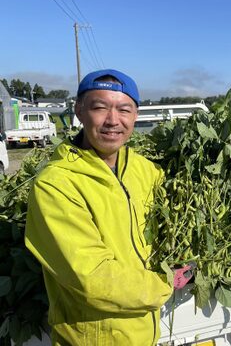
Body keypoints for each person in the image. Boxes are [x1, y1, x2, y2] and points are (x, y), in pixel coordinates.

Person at [25, 69, 189, 345]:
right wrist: (166, 283)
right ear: (79, 111)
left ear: (136, 115)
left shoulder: (145, 170)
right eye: (100, 107)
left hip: (144, 333)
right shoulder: (56, 184)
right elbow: (93, 279)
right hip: (94, 338)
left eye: (124, 109)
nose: (113, 120)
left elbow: (174, 220)